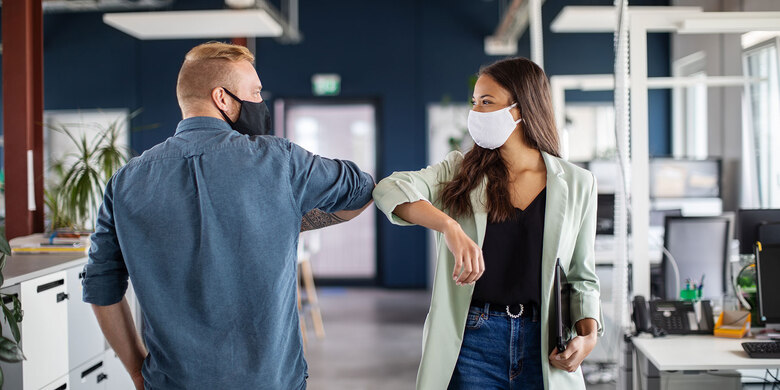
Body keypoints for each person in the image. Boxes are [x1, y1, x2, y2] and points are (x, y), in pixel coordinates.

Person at [82, 42, 374, 389]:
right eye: (254, 92)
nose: (259, 102)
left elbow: (101, 286)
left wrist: (136, 370)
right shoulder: (279, 160)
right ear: (222, 98)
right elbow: (362, 189)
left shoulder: (126, 181)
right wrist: (298, 221)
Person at [373, 57, 602, 389]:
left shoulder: (577, 184)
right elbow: (387, 189)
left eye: (486, 102)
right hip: (473, 344)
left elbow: (582, 277)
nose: (475, 113)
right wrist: (448, 227)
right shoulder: (459, 171)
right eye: (474, 103)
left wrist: (589, 335)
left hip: (544, 345)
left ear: (521, 108)